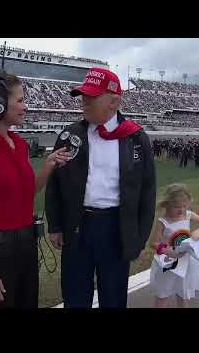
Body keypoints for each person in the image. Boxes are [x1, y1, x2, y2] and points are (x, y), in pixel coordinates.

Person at [0, 70, 70, 308]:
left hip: (27, 249)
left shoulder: (19, 143)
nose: (25, 106)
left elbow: (25, 194)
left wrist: (48, 166)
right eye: (19, 100)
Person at [45, 67, 156, 308]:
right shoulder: (70, 135)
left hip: (116, 228)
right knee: (75, 296)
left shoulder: (136, 138)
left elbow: (147, 192)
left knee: (114, 297)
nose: (84, 102)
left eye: (91, 97)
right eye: (83, 95)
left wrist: (139, 237)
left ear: (114, 101)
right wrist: (55, 225)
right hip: (77, 227)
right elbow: (55, 183)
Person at [148, 184, 199, 308]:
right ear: (167, 204)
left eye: (184, 206)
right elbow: (153, 243)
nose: (181, 209)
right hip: (168, 263)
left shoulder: (188, 215)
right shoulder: (163, 221)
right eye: (176, 207)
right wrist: (167, 251)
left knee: (184, 294)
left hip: (185, 262)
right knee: (163, 294)